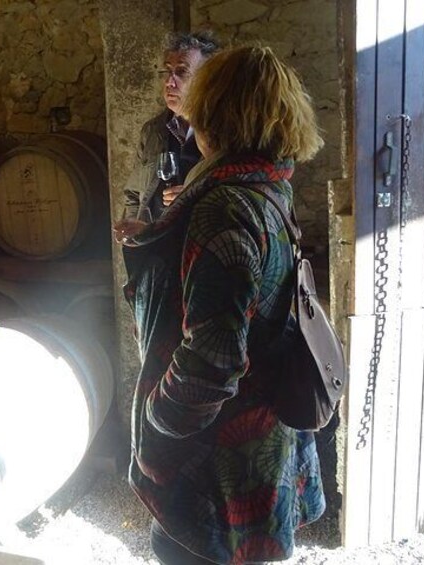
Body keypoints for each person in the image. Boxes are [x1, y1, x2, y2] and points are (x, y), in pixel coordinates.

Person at [120, 45, 326, 564]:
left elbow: (210, 365)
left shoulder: (223, 207)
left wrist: (156, 422)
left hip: (217, 462)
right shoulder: (267, 188)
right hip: (262, 435)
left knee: (187, 551)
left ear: (213, 114)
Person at [113, 31, 219, 243]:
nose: (169, 82)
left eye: (181, 71)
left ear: (206, 79)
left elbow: (236, 200)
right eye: (167, 71)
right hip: (156, 255)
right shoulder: (153, 131)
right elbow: (133, 194)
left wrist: (193, 198)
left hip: (200, 249)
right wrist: (134, 236)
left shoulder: (224, 132)